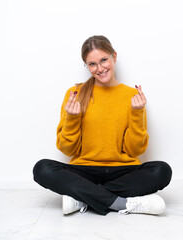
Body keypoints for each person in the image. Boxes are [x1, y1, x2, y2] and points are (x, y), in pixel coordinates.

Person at [33, 35, 172, 216]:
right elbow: (66, 149)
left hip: (123, 171)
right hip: (84, 170)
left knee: (162, 170)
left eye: (104, 60)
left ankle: (81, 198)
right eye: (92, 64)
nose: (100, 68)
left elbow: (134, 150)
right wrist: (72, 118)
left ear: (114, 56)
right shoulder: (75, 93)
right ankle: (122, 204)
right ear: (87, 66)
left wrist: (137, 113)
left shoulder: (132, 95)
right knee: (42, 168)